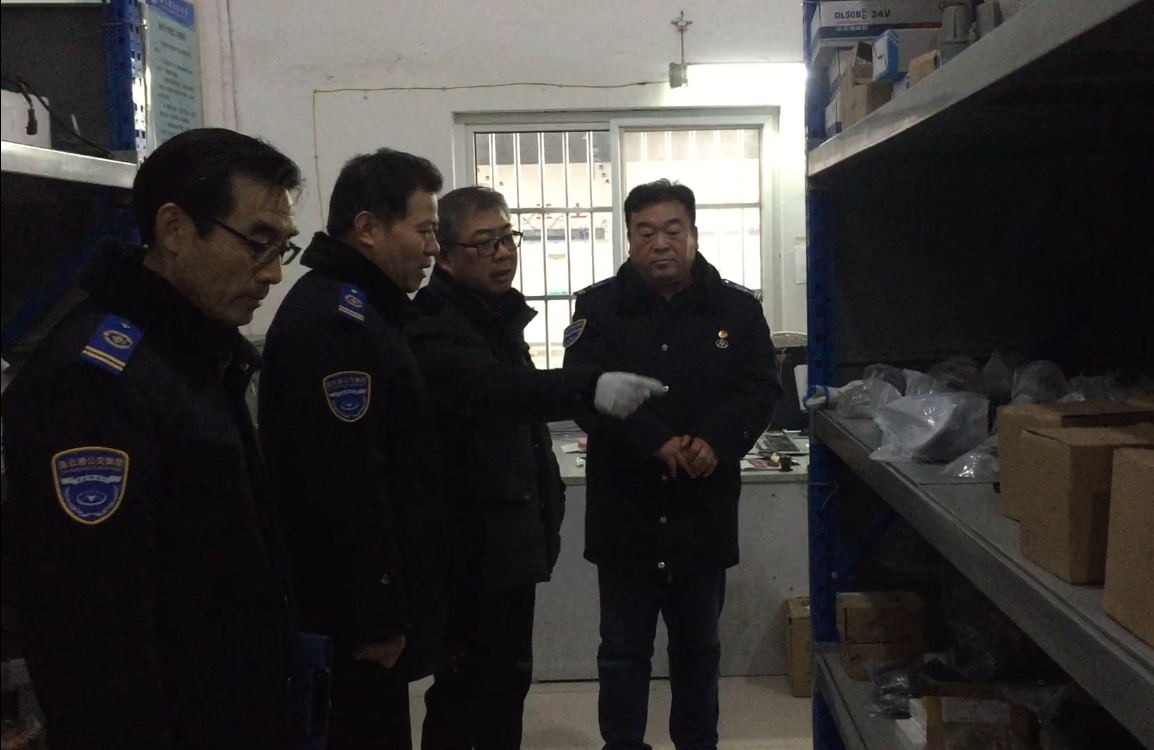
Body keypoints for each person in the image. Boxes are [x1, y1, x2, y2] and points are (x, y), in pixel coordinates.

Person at [3, 128, 303, 748]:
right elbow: (91, 632)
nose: (273, 273)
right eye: (258, 243)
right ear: (173, 229)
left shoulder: (193, 354)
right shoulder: (98, 382)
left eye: (283, 248)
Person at [405, 185, 664, 750]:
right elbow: (496, 390)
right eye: (483, 244)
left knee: (504, 684)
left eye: (507, 239)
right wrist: (589, 386)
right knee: (465, 693)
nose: (502, 254)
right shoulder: (434, 324)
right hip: (467, 550)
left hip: (506, 545)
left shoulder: (493, 316)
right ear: (444, 255)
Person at [563, 179, 781, 750]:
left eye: (671, 230)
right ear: (629, 239)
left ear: (693, 234)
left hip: (701, 514)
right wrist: (653, 441)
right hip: (625, 515)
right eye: (645, 232)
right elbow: (581, 391)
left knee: (698, 651)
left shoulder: (737, 309)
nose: (659, 243)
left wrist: (717, 440)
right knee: (622, 652)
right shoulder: (598, 309)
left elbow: (761, 388)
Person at [259, 148, 451, 750]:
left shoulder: (368, 310)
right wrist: (375, 619)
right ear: (367, 228)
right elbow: (345, 485)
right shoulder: (337, 324)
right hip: (348, 621)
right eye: (423, 230)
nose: (433, 248)